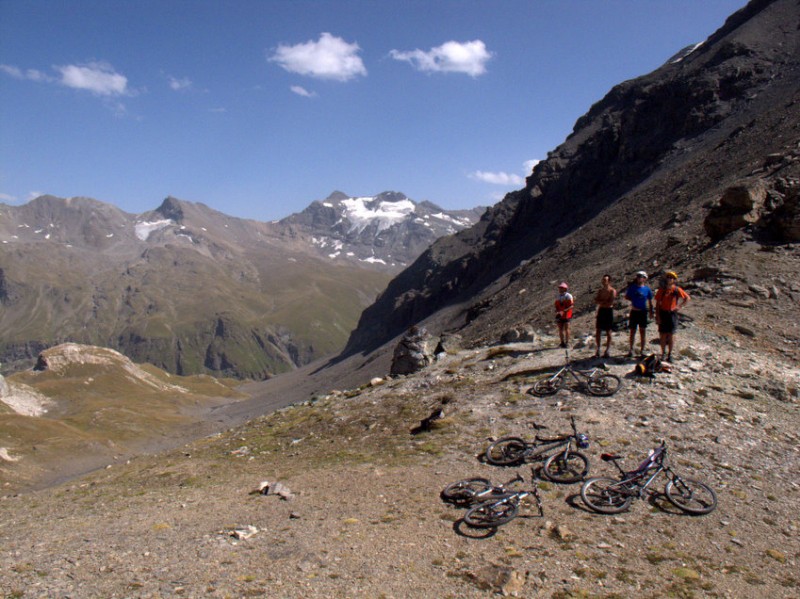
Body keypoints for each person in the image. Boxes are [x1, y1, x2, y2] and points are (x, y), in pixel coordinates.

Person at [655, 271, 690, 362]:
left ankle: (670, 354)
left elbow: (687, 298)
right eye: (668, 277)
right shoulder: (661, 290)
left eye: (672, 278)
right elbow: (658, 304)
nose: (670, 279)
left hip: (672, 314)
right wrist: (657, 316)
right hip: (663, 313)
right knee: (662, 335)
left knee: (671, 335)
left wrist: (679, 306)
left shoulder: (676, 290)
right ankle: (663, 354)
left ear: (674, 280)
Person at [624, 271, 654, 357]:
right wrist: (634, 301)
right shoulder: (632, 288)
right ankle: (631, 349)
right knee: (632, 331)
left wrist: (651, 312)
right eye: (638, 276)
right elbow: (627, 296)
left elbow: (650, 301)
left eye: (641, 276)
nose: (639, 278)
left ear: (644, 278)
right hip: (634, 311)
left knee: (642, 331)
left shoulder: (647, 289)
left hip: (643, 312)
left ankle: (642, 350)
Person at [594, 274, 617, 358]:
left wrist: (602, 302)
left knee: (608, 330)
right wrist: (603, 302)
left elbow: (610, 302)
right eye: (603, 280)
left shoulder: (612, 291)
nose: (603, 281)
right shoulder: (600, 291)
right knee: (598, 330)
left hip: (608, 311)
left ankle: (607, 349)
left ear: (609, 281)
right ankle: (598, 348)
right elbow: (596, 300)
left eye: (605, 280)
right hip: (601, 310)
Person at [554, 282, 574, 348]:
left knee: (566, 328)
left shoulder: (569, 296)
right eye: (559, 288)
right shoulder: (558, 296)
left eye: (561, 288)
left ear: (565, 289)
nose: (560, 289)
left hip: (567, 314)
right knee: (560, 329)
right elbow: (556, 306)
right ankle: (562, 342)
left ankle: (567, 342)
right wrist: (557, 311)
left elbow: (571, 306)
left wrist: (565, 310)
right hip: (560, 314)